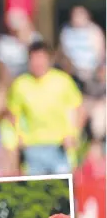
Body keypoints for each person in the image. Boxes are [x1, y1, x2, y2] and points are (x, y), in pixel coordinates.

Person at [6, 41, 83, 175]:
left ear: (49, 59)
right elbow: (13, 114)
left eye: (41, 58)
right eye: (34, 59)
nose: (37, 63)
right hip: (33, 147)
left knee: (64, 190)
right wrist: (18, 138)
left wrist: (73, 134)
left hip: (60, 146)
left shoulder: (63, 81)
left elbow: (78, 110)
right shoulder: (20, 84)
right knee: (36, 192)